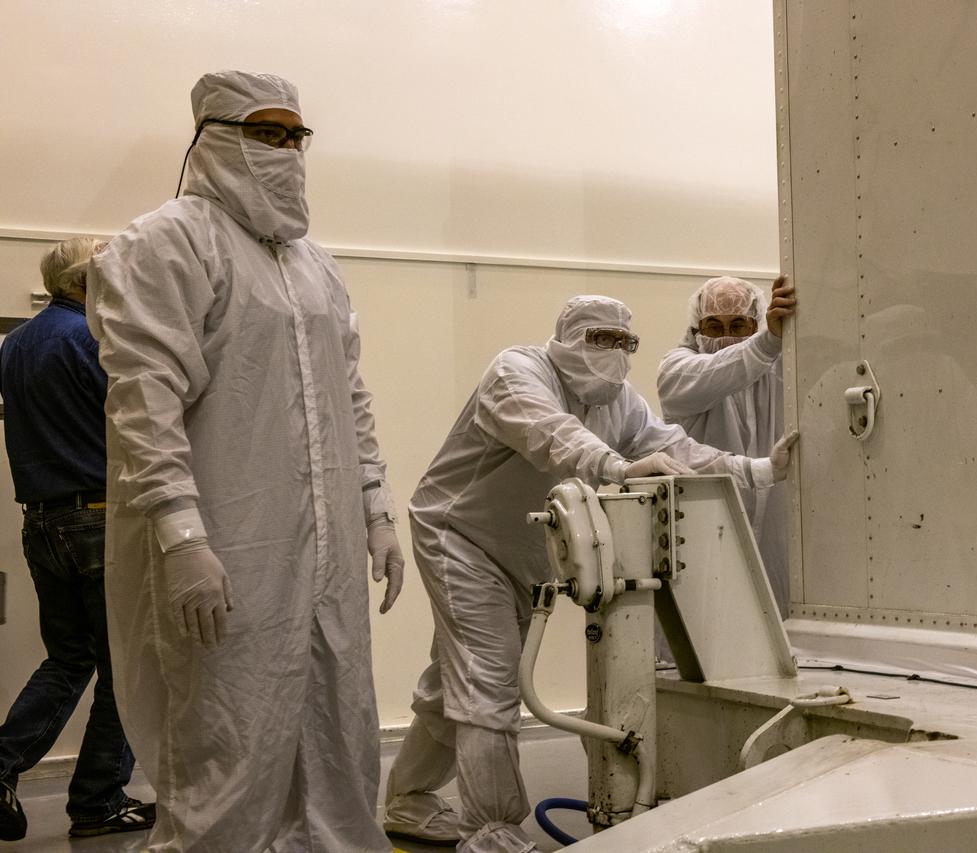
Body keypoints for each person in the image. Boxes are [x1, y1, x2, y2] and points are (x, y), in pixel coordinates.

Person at [86, 70, 404, 851]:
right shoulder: (166, 241)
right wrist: (180, 533)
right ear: (216, 138)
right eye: (267, 133)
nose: (286, 150)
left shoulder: (315, 266)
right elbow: (144, 398)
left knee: (339, 736)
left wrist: (376, 504)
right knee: (229, 744)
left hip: (326, 557)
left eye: (297, 136)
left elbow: (349, 395)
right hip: (232, 547)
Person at [383, 295, 799, 852]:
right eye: (599, 339)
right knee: (488, 676)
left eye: (625, 342)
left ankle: (407, 798)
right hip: (458, 537)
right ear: (567, 337)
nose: (614, 353)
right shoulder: (517, 371)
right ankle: (491, 830)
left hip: (525, 550)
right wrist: (620, 467)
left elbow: (674, 447)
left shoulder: (618, 401)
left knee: (453, 678)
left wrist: (759, 469)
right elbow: (552, 435)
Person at [0, 238, 155, 842]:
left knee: (67, 659)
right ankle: (97, 800)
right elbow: (138, 420)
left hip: (41, 522)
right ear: (84, 283)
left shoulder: (16, 344)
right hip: (99, 520)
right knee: (123, 671)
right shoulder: (94, 341)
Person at [657, 275, 796, 607]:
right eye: (714, 327)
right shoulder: (677, 370)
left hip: (776, 536)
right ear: (695, 327)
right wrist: (767, 340)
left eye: (738, 325)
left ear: (754, 323)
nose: (727, 337)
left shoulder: (781, 368)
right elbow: (719, 371)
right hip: (704, 534)